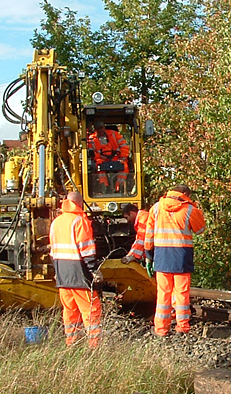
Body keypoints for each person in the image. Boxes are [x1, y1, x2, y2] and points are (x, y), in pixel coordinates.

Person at [144, 184, 206, 336]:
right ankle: (182, 327)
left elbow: (149, 234)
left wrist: (149, 256)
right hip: (181, 256)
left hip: (161, 256)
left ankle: (161, 329)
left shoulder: (156, 208)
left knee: (163, 293)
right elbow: (201, 229)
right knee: (181, 293)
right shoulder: (189, 209)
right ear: (185, 193)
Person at [49, 191, 102, 348]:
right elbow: (87, 251)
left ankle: (72, 343)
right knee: (91, 310)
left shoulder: (56, 222)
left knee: (70, 312)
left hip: (62, 274)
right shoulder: (80, 221)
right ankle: (94, 345)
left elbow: (53, 251)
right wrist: (94, 270)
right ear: (80, 203)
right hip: (79, 274)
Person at [87, 119, 130, 193]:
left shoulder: (114, 134)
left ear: (104, 127)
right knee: (99, 166)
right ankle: (104, 187)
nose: (100, 130)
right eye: (98, 128)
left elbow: (124, 146)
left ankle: (119, 188)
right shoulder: (91, 139)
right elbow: (91, 152)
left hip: (116, 158)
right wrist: (99, 157)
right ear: (95, 129)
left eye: (101, 128)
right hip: (102, 160)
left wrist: (123, 157)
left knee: (124, 166)